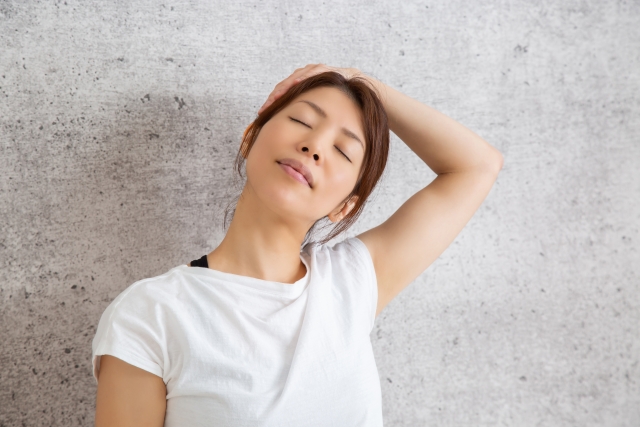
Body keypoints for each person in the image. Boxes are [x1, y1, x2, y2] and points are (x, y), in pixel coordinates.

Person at [92, 63, 503, 426]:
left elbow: (477, 166)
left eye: (342, 150)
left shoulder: (351, 283)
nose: (315, 146)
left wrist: (361, 80)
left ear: (345, 206)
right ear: (250, 138)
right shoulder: (151, 314)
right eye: (302, 121)